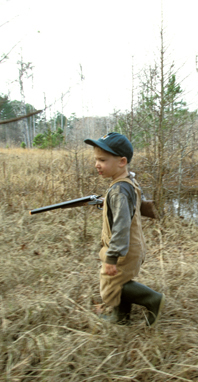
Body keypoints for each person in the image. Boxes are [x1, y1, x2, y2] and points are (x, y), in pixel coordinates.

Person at [84, 132, 165, 327]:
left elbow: (121, 227)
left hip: (123, 248)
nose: (97, 164)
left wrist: (112, 257)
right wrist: (108, 203)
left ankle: (154, 300)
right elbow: (127, 206)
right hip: (131, 246)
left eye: (102, 160)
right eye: (96, 159)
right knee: (120, 279)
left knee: (112, 285)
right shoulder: (128, 182)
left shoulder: (119, 190)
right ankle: (121, 317)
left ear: (121, 161)